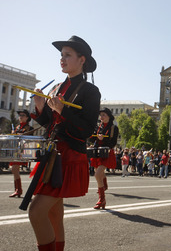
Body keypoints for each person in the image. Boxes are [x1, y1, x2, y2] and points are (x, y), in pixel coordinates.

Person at [29, 35, 101, 250]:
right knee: (53, 214)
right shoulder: (58, 87)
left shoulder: (90, 91)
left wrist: (63, 109)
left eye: (67, 55)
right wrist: (42, 107)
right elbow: (50, 123)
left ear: (82, 60)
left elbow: (87, 129)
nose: (62, 59)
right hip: (52, 153)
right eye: (61, 55)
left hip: (68, 155)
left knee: (36, 212)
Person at [89, 108, 118, 209]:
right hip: (97, 152)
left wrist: (103, 139)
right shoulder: (98, 126)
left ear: (109, 116)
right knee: (99, 173)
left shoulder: (114, 127)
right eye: (100, 115)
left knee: (97, 174)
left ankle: (102, 199)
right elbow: (92, 139)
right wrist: (93, 136)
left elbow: (113, 143)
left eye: (103, 115)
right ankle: (104, 186)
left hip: (106, 152)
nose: (101, 117)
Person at [9, 109, 34, 198]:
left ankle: (18, 190)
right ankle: (17, 189)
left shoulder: (29, 128)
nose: (20, 117)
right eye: (20, 115)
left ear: (27, 118)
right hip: (16, 151)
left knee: (15, 169)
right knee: (14, 169)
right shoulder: (17, 127)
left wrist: (18, 135)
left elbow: (29, 139)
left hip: (23, 151)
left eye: (22, 115)